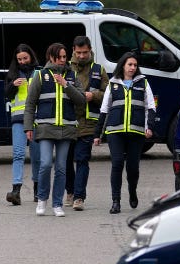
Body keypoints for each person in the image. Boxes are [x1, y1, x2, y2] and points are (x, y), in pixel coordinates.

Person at [24, 42, 86, 217]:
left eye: (64, 57)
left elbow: (81, 100)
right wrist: (28, 126)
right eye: (59, 57)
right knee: (44, 164)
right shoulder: (41, 75)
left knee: (61, 167)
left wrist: (66, 85)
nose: (62, 60)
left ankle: (57, 203)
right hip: (45, 128)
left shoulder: (71, 76)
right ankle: (42, 199)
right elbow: (30, 103)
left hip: (66, 128)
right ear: (51, 57)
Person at [94, 52, 155, 214]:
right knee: (117, 163)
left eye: (135, 65)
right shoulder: (113, 84)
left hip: (136, 132)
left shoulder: (143, 83)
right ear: (122, 65)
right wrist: (97, 135)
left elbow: (150, 107)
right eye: (130, 65)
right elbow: (104, 110)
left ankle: (132, 191)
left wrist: (149, 127)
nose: (133, 68)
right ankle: (116, 201)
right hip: (115, 131)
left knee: (133, 168)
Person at [68, 36, 109, 211]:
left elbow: (108, 94)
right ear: (73, 51)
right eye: (79, 53)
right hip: (67, 122)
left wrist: (95, 96)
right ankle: (70, 191)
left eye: (85, 52)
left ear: (90, 50)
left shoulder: (98, 70)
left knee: (82, 159)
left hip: (87, 123)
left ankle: (79, 197)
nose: (82, 56)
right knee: (65, 161)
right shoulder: (66, 69)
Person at [4, 43, 41, 205]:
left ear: (31, 56)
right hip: (18, 119)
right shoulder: (13, 73)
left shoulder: (39, 72)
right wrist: (13, 85)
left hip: (37, 119)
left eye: (25, 58)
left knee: (37, 156)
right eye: (19, 59)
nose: (23, 61)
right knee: (18, 154)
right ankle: (16, 190)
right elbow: (7, 94)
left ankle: (38, 190)